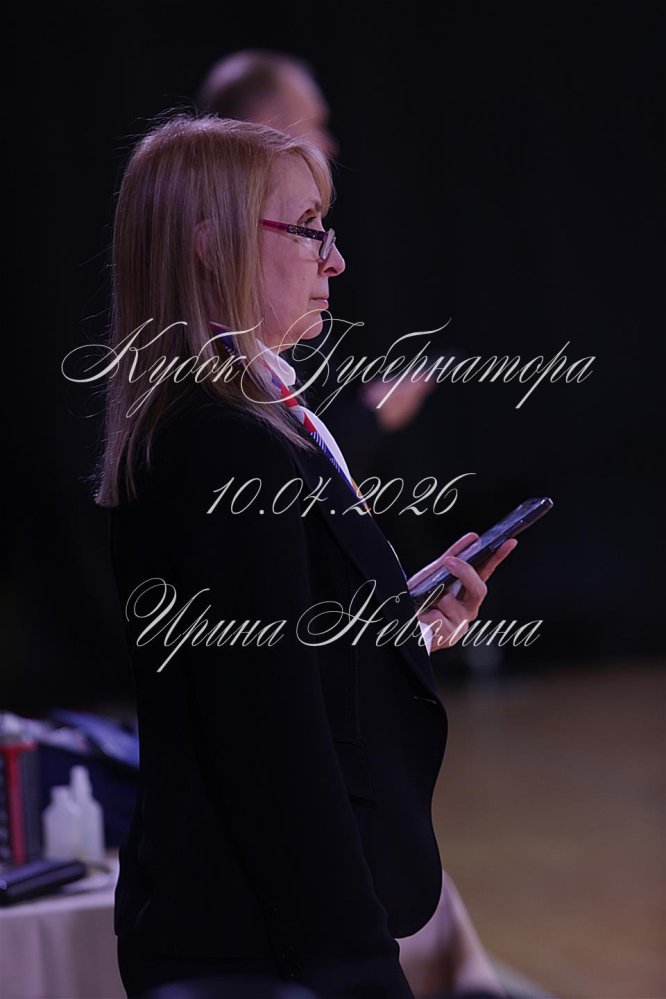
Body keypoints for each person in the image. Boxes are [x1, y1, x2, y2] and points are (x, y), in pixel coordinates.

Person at [98, 113, 515, 998]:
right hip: (262, 940)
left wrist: (402, 623)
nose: (337, 261)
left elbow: (286, 660)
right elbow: (270, 739)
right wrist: (357, 963)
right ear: (210, 244)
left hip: (262, 926)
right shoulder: (221, 442)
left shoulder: (247, 420)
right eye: (308, 229)